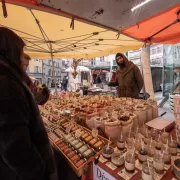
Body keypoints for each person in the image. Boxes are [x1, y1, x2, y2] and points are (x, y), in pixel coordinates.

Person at [0, 27, 58, 180]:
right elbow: (15, 148)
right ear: (11, 51)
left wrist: (41, 93)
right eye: (20, 51)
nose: (22, 59)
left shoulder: (13, 78)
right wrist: (40, 170)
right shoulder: (6, 84)